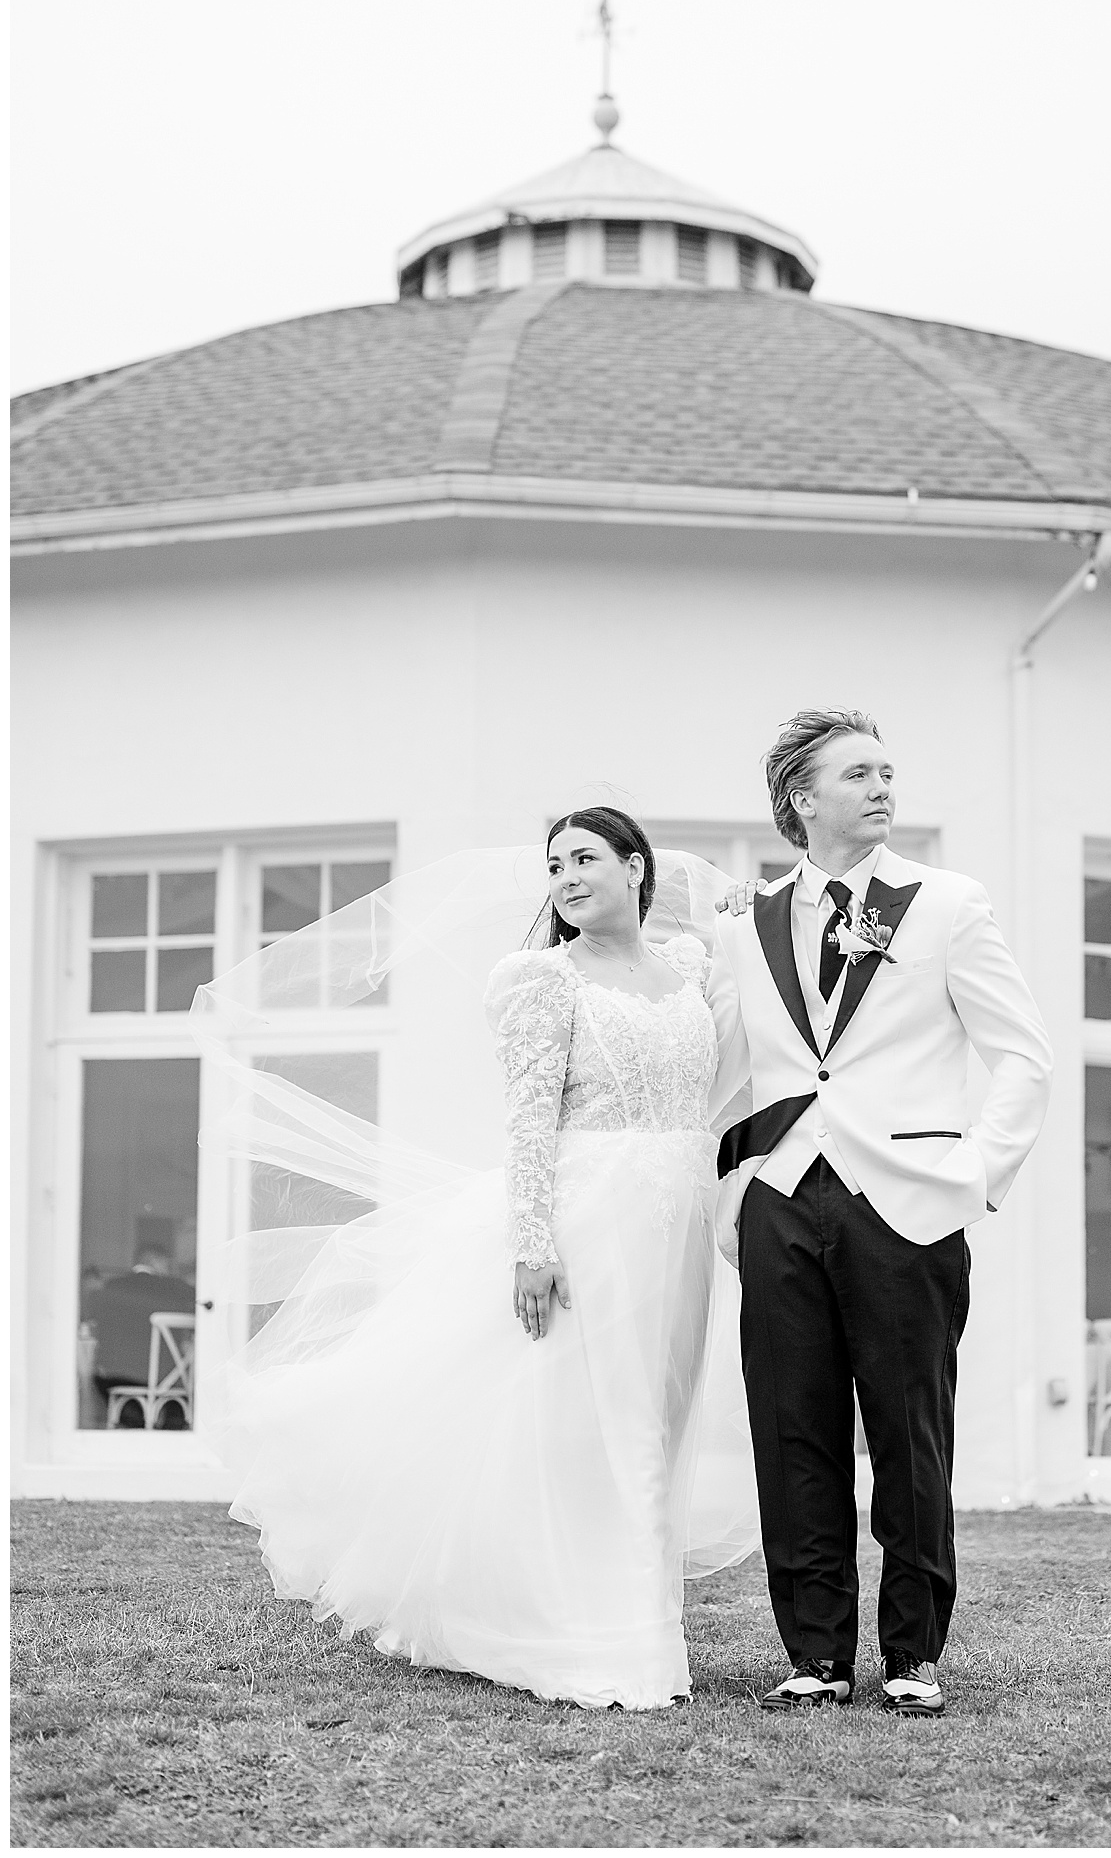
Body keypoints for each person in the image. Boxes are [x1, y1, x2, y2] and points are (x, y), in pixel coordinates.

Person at [209, 811, 760, 1710]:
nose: (568, 876)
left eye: (586, 858)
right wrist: (532, 1247)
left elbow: (734, 1065)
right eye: (555, 865)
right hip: (592, 1220)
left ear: (635, 866)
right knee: (601, 1429)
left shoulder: (694, 969)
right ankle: (611, 1645)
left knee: (662, 1417)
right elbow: (529, 1119)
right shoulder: (543, 980)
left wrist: (741, 921)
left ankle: (642, 1625)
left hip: (679, 1224)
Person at [710, 708, 1052, 1716]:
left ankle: (911, 1654)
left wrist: (973, 1176)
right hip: (778, 1199)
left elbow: (1022, 1055)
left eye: (886, 771)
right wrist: (729, 1185)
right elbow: (722, 1066)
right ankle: (813, 1654)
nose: (881, 785)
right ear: (801, 799)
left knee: (910, 1435)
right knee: (792, 1432)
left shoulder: (945, 904)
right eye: (856, 772)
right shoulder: (744, 919)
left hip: (905, 1202)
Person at [85, 1245, 196, 1424]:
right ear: (154, 1260)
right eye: (167, 1262)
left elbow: (90, 1320)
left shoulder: (110, 1287)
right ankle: (175, 1424)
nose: (170, 1268)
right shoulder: (175, 1289)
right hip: (163, 1375)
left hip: (112, 1375)